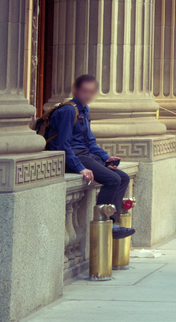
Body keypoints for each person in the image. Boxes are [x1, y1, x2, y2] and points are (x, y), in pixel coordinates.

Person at [48, 75, 135, 239]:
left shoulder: (84, 110)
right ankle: (105, 220)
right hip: (73, 157)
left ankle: (112, 222)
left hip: (85, 154)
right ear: (76, 90)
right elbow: (63, 145)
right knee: (112, 179)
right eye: (84, 91)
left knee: (122, 177)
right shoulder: (68, 110)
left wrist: (105, 157)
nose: (87, 95)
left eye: (91, 92)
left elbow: (90, 141)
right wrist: (80, 168)